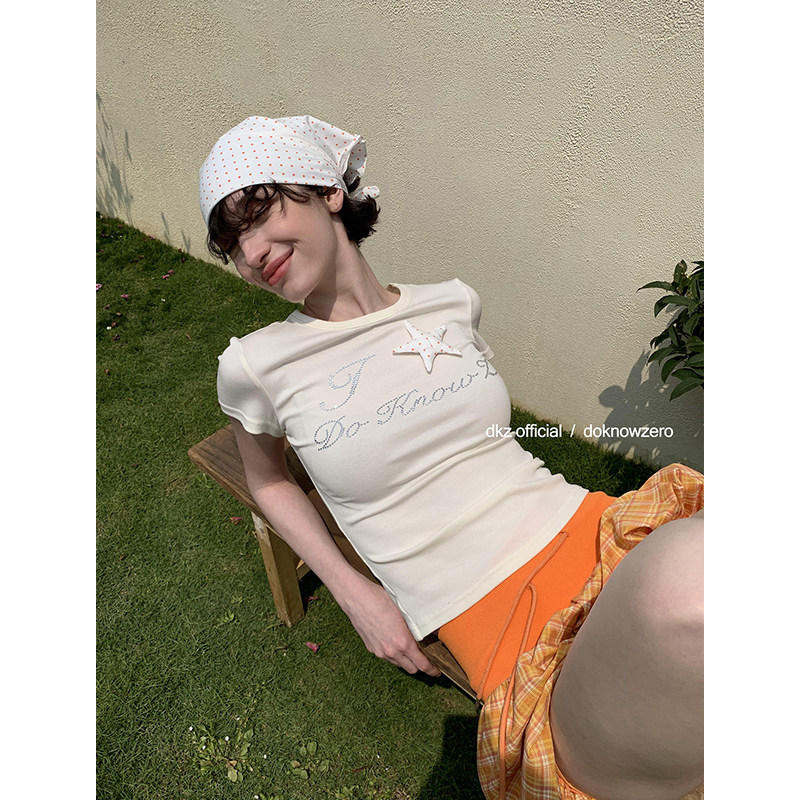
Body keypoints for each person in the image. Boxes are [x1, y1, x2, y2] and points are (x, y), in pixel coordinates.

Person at [199, 115, 704, 800]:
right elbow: (268, 481)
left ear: (328, 191)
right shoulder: (256, 364)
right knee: (692, 585)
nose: (252, 253)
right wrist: (354, 594)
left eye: (259, 214)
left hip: (593, 529)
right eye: (232, 244)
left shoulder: (451, 304)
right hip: (497, 618)